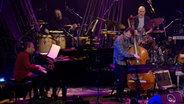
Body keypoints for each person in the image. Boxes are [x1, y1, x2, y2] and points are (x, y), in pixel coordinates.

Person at [113, 27, 140, 102]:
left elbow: (135, 44)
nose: (129, 35)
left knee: (125, 80)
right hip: (119, 62)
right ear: (124, 32)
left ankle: (124, 95)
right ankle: (118, 97)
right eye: (127, 34)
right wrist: (133, 55)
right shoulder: (119, 40)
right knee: (121, 80)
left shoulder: (128, 39)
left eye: (130, 34)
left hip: (126, 62)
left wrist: (136, 35)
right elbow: (122, 52)